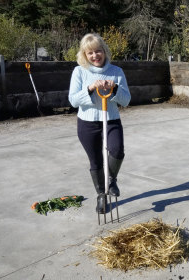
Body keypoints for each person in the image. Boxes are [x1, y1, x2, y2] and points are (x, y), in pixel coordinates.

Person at [68, 33, 131, 214]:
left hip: (111, 120)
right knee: (95, 161)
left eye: (98, 51)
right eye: (90, 53)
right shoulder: (79, 71)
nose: (95, 56)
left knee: (117, 150)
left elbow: (126, 100)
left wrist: (114, 88)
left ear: (104, 51)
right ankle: (101, 196)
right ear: (84, 55)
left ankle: (110, 180)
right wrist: (90, 88)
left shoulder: (116, 72)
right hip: (87, 123)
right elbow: (73, 100)